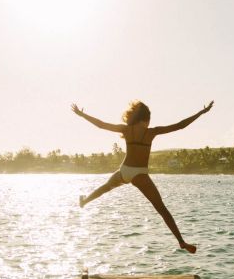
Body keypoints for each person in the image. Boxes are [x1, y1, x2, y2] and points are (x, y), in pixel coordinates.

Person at [71, 100, 214, 254]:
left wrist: (81, 114)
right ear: (146, 119)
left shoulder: (126, 129)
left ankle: (85, 201)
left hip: (124, 171)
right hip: (140, 174)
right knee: (161, 209)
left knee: (105, 188)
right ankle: (181, 241)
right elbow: (180, 125)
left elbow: (101, 124)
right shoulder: (151, 132)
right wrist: (201, 112)